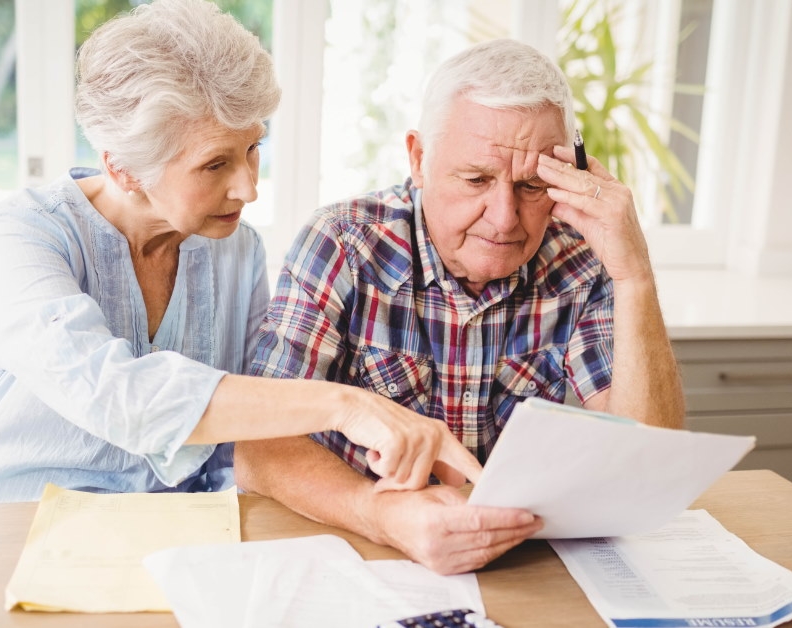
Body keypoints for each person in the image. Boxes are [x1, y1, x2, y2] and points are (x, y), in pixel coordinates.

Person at [0, 0, 479, 506]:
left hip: (159, 533)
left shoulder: (235, 250)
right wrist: (347, 406)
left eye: (253, 149)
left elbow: (245, 431)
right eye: (215, 164)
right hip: (1, 521)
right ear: (123, 168)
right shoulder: (29, 230)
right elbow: (114, 394)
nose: (248, 188)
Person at [235, 39, 685, 574]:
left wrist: (633, 273)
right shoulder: (343, 242)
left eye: (532, 185)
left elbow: (646, 458)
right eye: (476, 180)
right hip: (354, 549)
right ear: (419, 159)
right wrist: (382, 515)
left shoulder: (581, 258)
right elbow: (257, 448)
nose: (504, 218)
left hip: (512, 562)